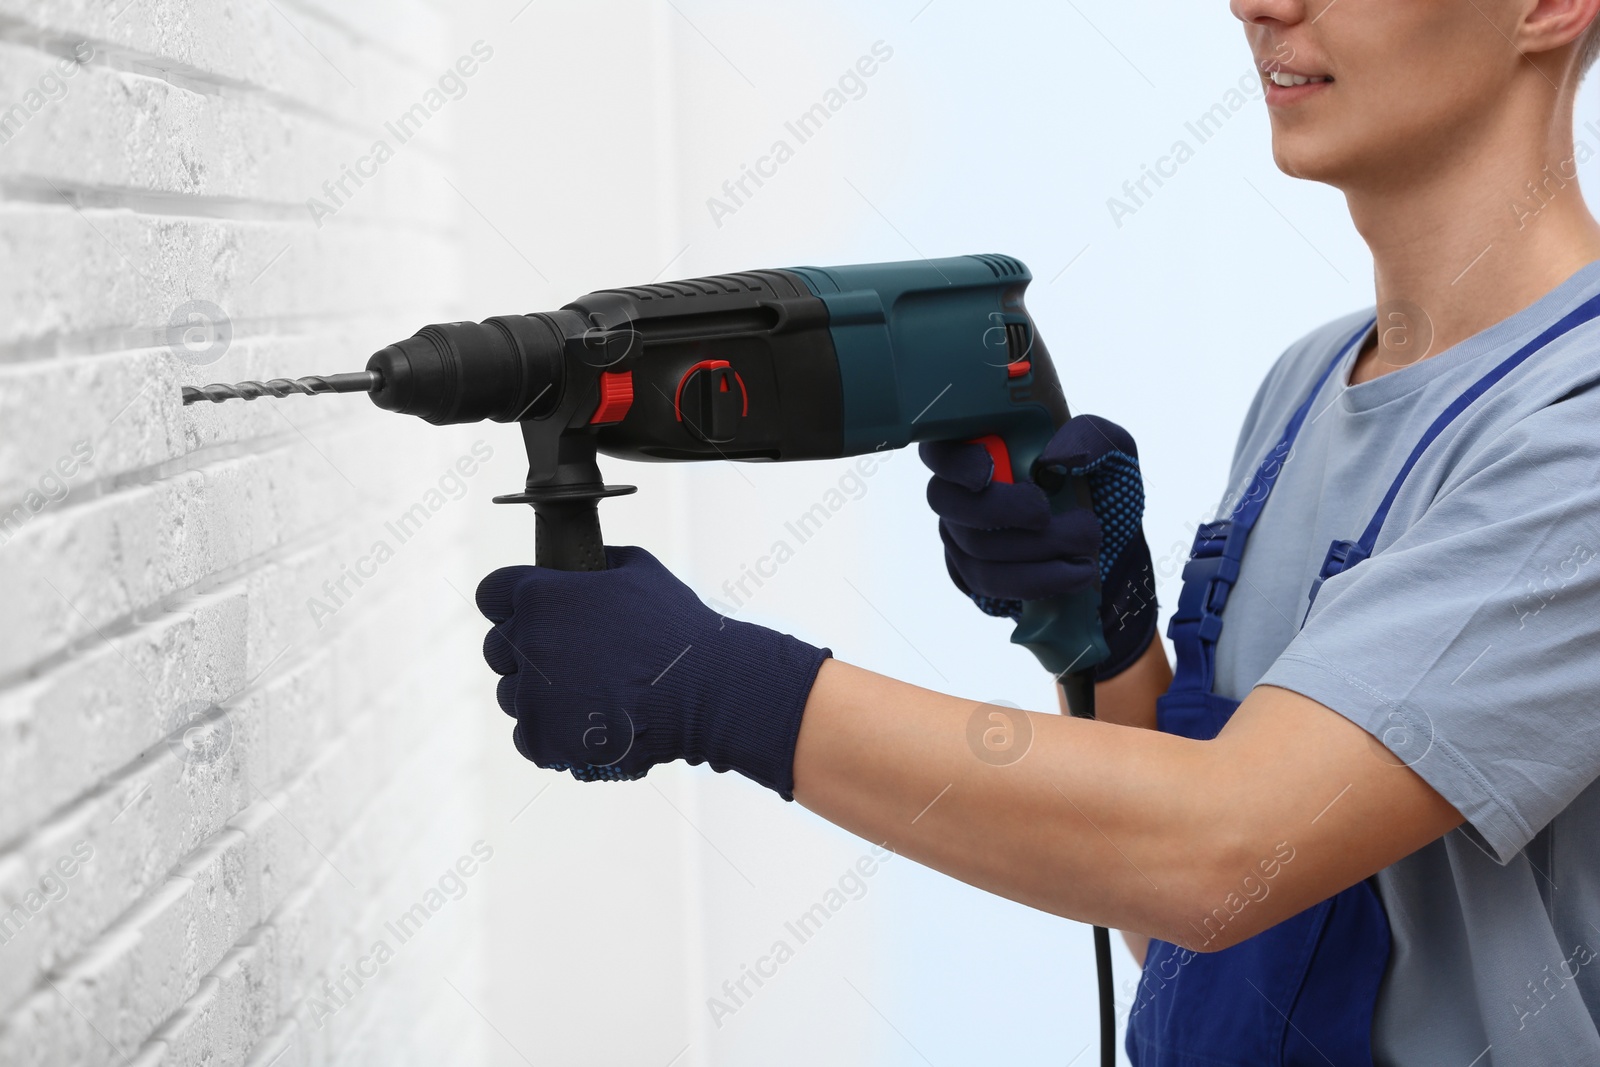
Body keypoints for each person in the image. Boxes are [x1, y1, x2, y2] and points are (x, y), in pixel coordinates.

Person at [475, 0, 1600, 1061]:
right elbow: (1207, 939)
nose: (1256, 3)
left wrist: (726, 688)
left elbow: (1223, 853)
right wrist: (1106, 650)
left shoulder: (1578, 430)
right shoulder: (1308, 384)